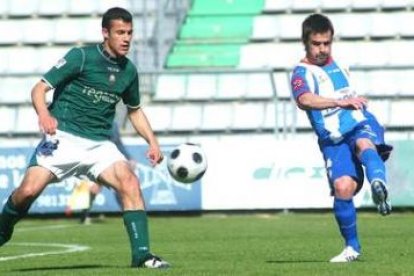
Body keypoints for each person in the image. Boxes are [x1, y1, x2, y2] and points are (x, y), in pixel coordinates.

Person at [0, 7, 169, 269]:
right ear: (105, 33)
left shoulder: (129, 71)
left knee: (130, 182)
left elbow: (134, 111)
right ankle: (3, 228)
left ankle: (143, 255)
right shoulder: (81, 56)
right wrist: (44, 114)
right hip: (62, 138)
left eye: (130, 33)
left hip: (99, 145)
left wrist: (153, 142)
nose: (126, 38)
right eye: (120, 32)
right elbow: (39, 89)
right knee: (27, 192)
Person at [290, 13, 392, 263]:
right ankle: (352, 248)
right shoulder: (301, 73)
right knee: (342, 188)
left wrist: (349, 105)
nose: (323, 49)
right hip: (333, 139)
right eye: (317, 44)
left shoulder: (339, 65)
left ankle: (379, 185)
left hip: (359, 123)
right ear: (306, 42)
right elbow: (304, 100)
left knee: (364, 143)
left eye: (327, 43)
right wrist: (339, 102)